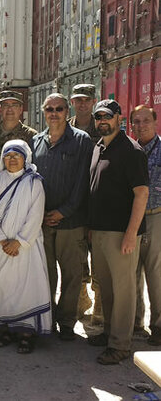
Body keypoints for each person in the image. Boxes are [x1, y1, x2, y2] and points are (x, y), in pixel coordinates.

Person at [88, 100, 149, 365]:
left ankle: (121, 344)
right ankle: (110, 332)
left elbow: (141, 193)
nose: (103, 121)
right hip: (100, 231)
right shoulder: (99, 146)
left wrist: (130, 234)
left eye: (108, 116)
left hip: (121, 233)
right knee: (107, 288)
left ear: (119, 118)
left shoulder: (131, 151)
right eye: (98, 117)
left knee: (124, 290)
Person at [31, 93, 93, 341]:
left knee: (71, 275)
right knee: (45, 273)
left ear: (67, 112)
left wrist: (64, 211)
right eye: (49, 109)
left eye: (59, 108)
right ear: (44, 112)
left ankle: (67, 322)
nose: (54, 113)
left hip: (71, 222)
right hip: (42, 222)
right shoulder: (36, 141)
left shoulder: (81, 141)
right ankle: (47, 319)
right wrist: (41, 213)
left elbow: (83, 182)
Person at [0, 139, 51, 354]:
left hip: (26, 248)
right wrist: (2, 240)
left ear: (25, 158)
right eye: (8, 155)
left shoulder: (34, 182)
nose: (12, 159)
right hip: (0, 246)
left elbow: (35, 214)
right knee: (3, 289)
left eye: (17, 155)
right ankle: (8, 329)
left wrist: (19, 242)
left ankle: (27, 333)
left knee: (27, 288)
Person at [69, 83, 102, 324]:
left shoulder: (102, 128)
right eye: (78, 100)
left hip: (98, 202)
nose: (82, 104)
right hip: (74, 204)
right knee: (77, 259)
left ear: (93, 102)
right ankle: (81, 303)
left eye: (86, 100)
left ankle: (99, 310)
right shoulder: (63, 128)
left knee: (99, 259)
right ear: (72, 102)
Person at [130, 105, 161, 346]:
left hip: (156, 216)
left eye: (145, 121)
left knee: (156, 273)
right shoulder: (130, 151)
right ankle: (135, 323)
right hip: (132, 218)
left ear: (155, 121)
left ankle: (158, 325)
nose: (141, 126)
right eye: (136, 122)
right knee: (132, 271)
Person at [0, 90, 37, 164]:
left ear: (21, 109)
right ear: (0, 109)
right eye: (6, 105)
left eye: (14, 105)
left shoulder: (31, 136)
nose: (10, 109)